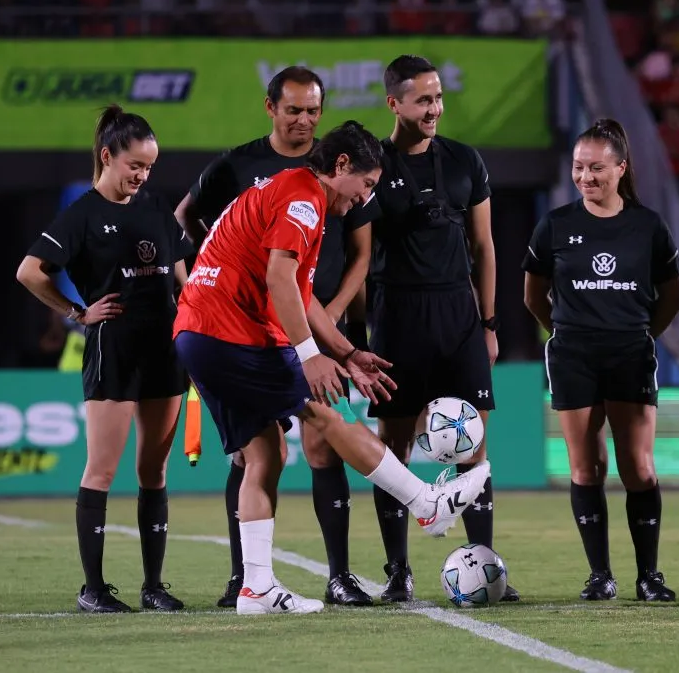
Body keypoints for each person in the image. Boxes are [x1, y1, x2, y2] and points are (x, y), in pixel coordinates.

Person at [173, 120, 491, 616]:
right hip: (232, 332)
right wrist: (309, 356)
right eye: (365, 185)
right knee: (328, 412)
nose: (366, 198)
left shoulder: (294, 194)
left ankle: (255, 588)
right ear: (341, 166)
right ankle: (426, 504)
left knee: (266, 455)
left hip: (199, 334)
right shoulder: (302, 198)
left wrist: (344, 352)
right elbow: (281, 279)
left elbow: (299, 292)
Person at [175, 66, 377, 608]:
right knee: (258, 450)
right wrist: (214, 280)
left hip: (315, 319)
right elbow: (188, 220)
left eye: (313, 110)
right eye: (293, 110)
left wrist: (331, 324)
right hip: (247, 327)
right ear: (270, 108)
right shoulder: (240, 164)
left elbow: (360, 254)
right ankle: (245, 575)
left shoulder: (344, 176)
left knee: (309, 447)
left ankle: (336, 575)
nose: (304, 120)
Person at [343, 54, 516, 602]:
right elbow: (360, 261)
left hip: (459, 316)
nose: (435, 108)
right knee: (392, 448)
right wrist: (359, 342)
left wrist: (489, 324)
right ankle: (398, 571)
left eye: (438, 98)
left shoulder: (466, 161)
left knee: (474, 446)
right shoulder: (375, 168)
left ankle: (484, 563)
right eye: (423, 100)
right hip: (398, 316)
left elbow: (485, 246)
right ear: (394, 103)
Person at [16, 105, 191, 613]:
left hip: (164, 350)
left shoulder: (157, 208)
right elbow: (29, 271)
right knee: (102, 471)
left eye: (150, 167)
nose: (143, 175)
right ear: (107, 155)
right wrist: (76, 311)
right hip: (113, 349)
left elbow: (185, 280)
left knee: (154, 471)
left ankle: (153, 586)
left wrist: (196, 321)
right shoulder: (82, 215)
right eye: (135, 165)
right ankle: (93, 589)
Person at [522, 119, 679, 601]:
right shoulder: (556, 224)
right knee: (586, 468)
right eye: (578, 167)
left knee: (638, 467)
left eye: (596, 167)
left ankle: (649, 576)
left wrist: (637, 335)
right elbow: (533, 295)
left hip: (631, 354)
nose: (586, 177)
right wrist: (568, 332)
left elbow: (673, 299)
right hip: (573, 355)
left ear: (621, 168)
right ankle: (600, 574)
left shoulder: (648, 225)